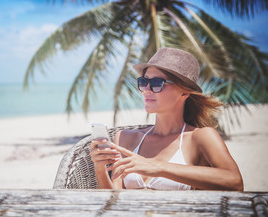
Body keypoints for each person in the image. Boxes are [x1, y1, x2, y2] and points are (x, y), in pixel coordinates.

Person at [90, 47, 243, 190]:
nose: (146, 90)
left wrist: (158, 167)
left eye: (157, 83)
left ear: (184, 93)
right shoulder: (126, 138)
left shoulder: (200, 137)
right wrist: (99, 168)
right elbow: (114, 200)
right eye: (143, 82)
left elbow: (235, 182)